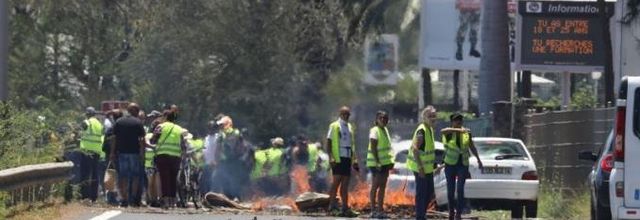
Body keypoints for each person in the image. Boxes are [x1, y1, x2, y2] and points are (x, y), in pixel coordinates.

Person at [441, 113, 483, 220]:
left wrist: (478, 159)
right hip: (450, 164)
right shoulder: (449, 133)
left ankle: (458, 214)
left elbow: (471, 146)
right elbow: (443, 131)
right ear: (452, 122)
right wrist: (458, 130)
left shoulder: (466, 133)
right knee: (450, 190)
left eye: (460, 120)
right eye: (456, 120)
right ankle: (451, 211)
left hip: (463, 164)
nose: (458, 122)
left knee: (460, 189)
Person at [110, 103, 146, 207]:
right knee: (135, 176)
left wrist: (112, 153)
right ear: (135, 111)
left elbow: (114, 138)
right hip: (134, 153)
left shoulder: (119, 121)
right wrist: (142, 153)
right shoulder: (138, 122)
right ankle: (133, 198)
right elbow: (142, 139)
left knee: (123, 176)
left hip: (122, 153)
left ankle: (124, 198)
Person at [150, 110, 188, 208]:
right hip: (175, 157)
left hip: (162, 156)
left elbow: (153, 140)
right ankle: (173, 202)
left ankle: (166, 201)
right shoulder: (179, 129)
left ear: (166, 117)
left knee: (164, 178)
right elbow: (183, 145)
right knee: (173, 178)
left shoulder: (160, 127)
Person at [326, 106, 359, 217]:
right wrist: (331, 157)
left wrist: (354, 159)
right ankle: (332, 206)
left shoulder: (349, 126)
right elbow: (329, 142)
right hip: (338, 157)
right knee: (336, 182)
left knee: (345, 184)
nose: (346, 116)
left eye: (348, 114)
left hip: (347, 157)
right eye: (344, 114)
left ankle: (345, 208)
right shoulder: (334, 125)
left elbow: (352, 144)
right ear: (340, 114)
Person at [407, 106, 438, 220]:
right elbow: (415, 149)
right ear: (424, 117)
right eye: (430, 116)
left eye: (434, 116)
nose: (432, 118)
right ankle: (420, 216)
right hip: (420, 168)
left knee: (429, 192)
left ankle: (421, 214)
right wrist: (420, 168)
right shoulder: (422, 130)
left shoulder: (429, 129)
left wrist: (434, 167)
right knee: (422, 193)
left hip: (427, 169)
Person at [213, 115, 248, 200]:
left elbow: (217, 149)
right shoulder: (237, 132)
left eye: (222, 124)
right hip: (236, 160)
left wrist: (216, 160)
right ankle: (237, 197)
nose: (220, 126)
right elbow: (243, 146)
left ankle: (228, 197)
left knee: (224, 179)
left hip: (224, 161)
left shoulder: (221, 134)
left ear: (227, 124)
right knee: (235, 179)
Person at [367, 110, 394, 219]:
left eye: (385, 118)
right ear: (377, 120)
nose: (383, 120)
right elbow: (373, 147)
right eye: (381, 118)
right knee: (375, 186)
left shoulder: (385, 130)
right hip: (376, 163)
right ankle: (373, 210)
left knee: (382, 186)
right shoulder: (375, 130)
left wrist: (390, 162)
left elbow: (388, 149)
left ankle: (380, 210)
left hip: (385, 164)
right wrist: (378, 162)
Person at [78, 106, 104, 202]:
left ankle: (85, 196)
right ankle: (94, 197)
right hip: (96, 151)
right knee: (95, 174)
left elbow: (79, 132)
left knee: (85, 173)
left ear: (87, 114)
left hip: (86, 151)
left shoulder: (86, 122)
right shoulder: (99, 124)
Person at [102, 109, 122, 205]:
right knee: (118, 176)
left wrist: (109, 153)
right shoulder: (122, 129)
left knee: (111, 176)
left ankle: (111, 197)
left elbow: (105, 145)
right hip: (118, 155)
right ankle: (117, 197)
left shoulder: (110, 129)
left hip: (110, 155)